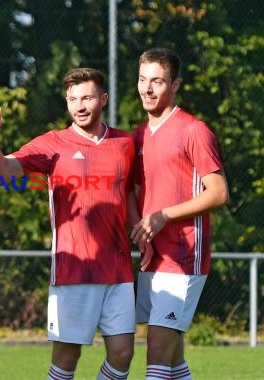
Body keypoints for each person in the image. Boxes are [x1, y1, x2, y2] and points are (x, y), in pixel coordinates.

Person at [0, 68, 135, 380]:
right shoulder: (53, 143)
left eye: (87, 98)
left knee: (123, 354)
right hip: (74, 269)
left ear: (103, 99)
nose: (79, 106)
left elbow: (135, 194)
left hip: (119, 269)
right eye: (72, 99)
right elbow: (0, 172)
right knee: (68, 357)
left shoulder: (125, 143)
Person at [131, 47, 229, 380]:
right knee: (171, 360)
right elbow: (132, 192)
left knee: (157, 349)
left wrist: (164, 216)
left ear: (175, 85)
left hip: (184, 256)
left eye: (157, 81)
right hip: (154, 258)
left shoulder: (193, 131)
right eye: (143, 79)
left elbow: (218, 193)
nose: (147, 88)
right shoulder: (139, 136)